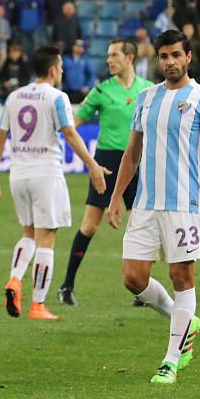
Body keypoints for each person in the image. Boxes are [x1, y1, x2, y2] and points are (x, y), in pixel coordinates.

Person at [107, 29, 200, 385]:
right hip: (145, 203)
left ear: (188, 57)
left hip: (183, 205)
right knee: (133, 278)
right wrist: (116, 197)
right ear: (157, 59)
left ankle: (171, 360)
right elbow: (132, 153)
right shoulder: (146, 98)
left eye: (176, 55)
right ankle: (183, 319)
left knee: (181, 277)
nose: (170, 62)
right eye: (164, 56)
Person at [0, 46, 109, 321]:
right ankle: (38, 305)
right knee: (47, 239)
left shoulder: (14, 97)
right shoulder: (57, 97)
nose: (62, 71)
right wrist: (92, 165)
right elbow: (69, 133)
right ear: (53, 70)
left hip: (18, 174)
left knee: (29, 234)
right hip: (46, 174)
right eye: (61, 67)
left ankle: (15, 280)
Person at [58, 39, 153, 306]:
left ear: (130, 58)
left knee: (140, 227)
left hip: (137, 162)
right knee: (89, 225)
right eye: (108, 56)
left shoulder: (148, 90)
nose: (109, 60)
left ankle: (141, 291)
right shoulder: (101, 91)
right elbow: (71, 125)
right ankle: (66, 286)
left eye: (114, 55)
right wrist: (90, 162)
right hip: (107, 164)